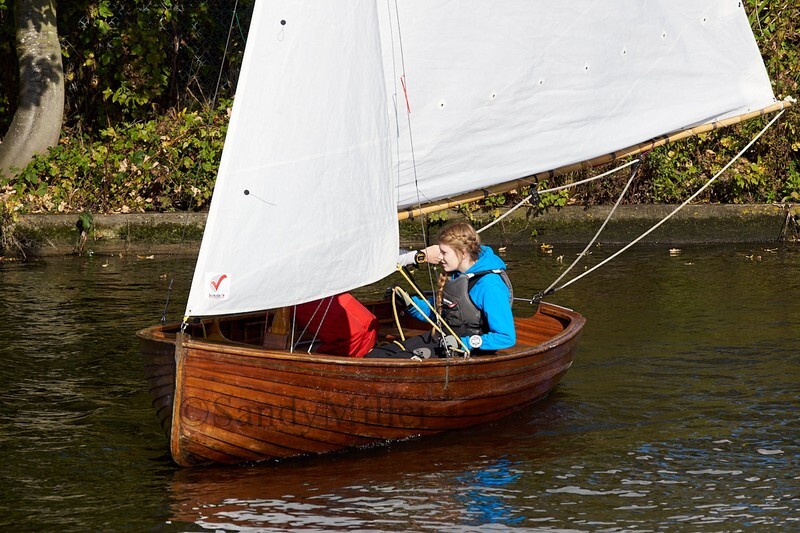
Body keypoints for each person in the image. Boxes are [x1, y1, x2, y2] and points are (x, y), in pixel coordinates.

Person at [366, 221, 515, 359]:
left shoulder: (490, 286)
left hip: (466, 350)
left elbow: (505, 337)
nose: (439, 257)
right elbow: (437, 313)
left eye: (444, 253)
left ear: (463, 253)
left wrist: (464, 343)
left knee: (396, 361)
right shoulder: (456, 275)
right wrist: (409, 303)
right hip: (442, 339)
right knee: (378, 354)